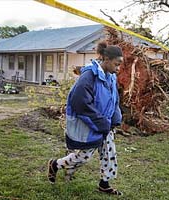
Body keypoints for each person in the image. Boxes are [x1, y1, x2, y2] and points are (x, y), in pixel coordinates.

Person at [47, 41, 124, 196]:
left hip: (105, 123)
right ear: (107, 60)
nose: (118, 69)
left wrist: (115, 118)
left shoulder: (110, 77)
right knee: (83, 156)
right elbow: (79, 102)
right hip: (91, 123)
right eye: (116, 64)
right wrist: (101, 122)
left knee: (109, 153)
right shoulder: (89, 76)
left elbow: (114, 99)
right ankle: (55, 164)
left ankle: (104, 184)